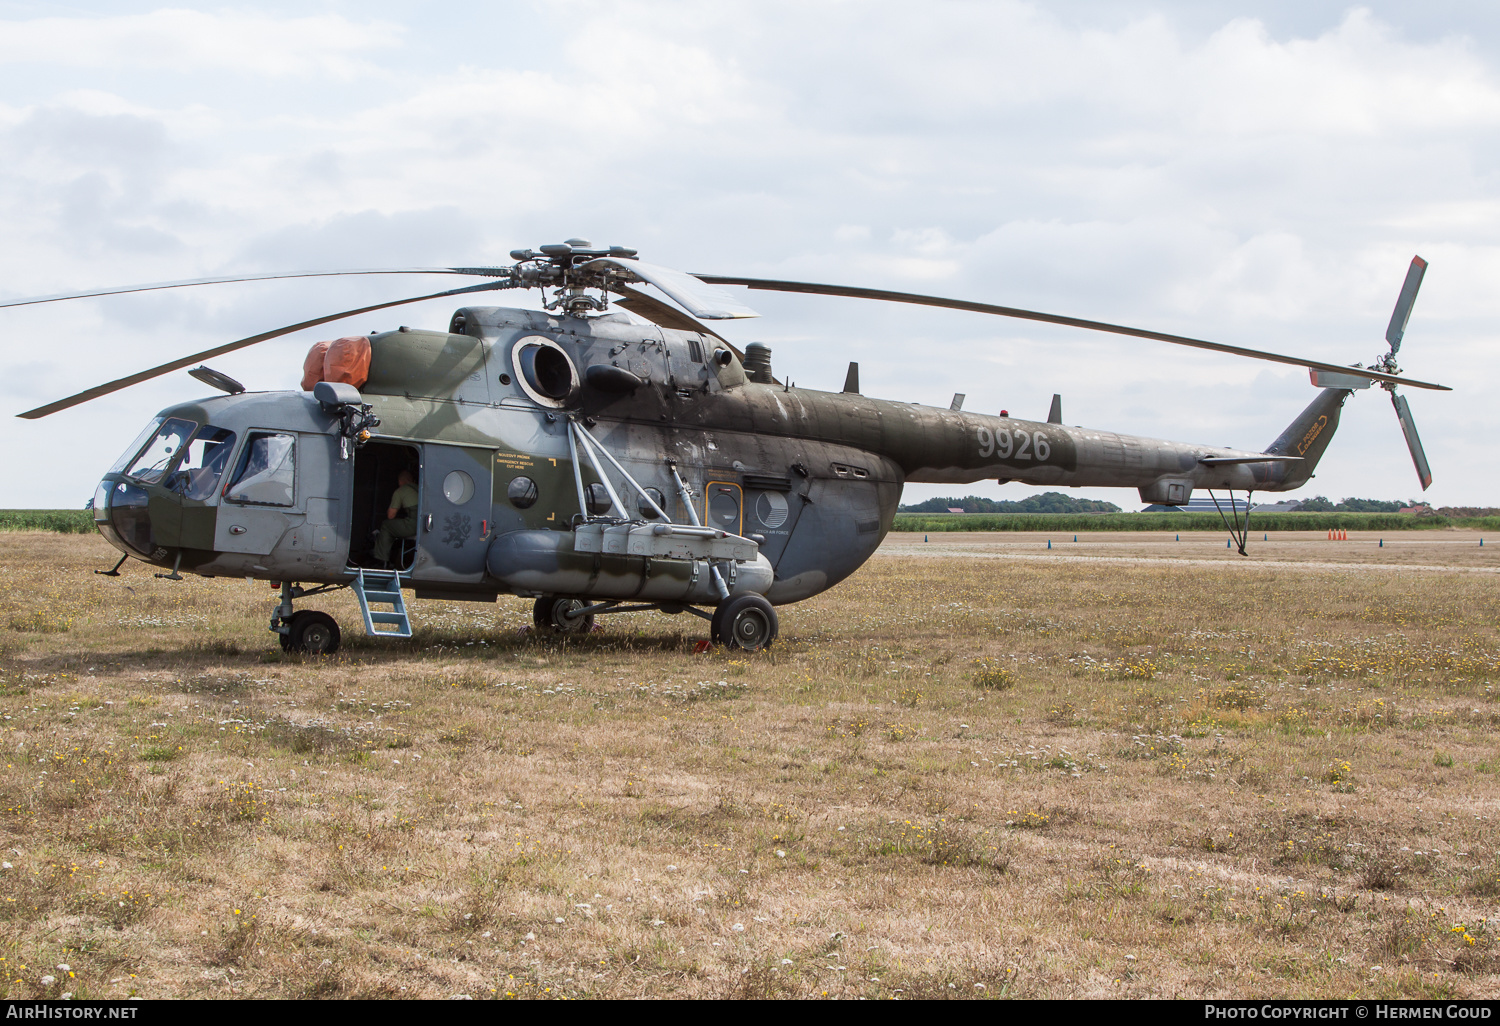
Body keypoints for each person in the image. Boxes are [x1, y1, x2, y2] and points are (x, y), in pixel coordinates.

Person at [372, 468, 419, 566]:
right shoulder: (419, 488)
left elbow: (391, 515)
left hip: (413, 525)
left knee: (386, 525)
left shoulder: (400, 491)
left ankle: (380, 560)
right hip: (423, 526)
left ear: (400, 481)